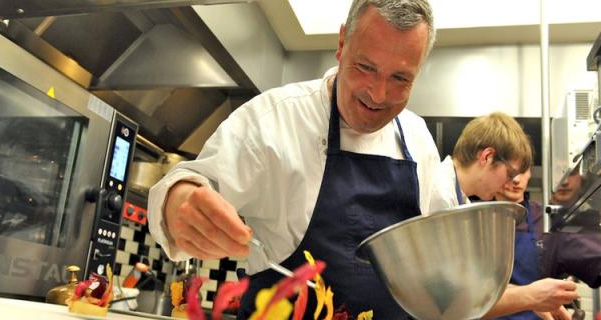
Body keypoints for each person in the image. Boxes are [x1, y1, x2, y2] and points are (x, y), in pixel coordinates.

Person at [147, 0, 439, 318]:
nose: (378, 94)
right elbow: (190, 184)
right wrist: (180, 201)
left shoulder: (418, 140)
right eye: (366, 67)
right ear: (342, 44)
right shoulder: (276, 118)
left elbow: (432, 264)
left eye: (400, 79)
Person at [427, 113, 579, 319]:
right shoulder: (438, 198)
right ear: (487, 157)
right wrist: (529, 296)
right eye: (510, 174)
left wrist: (534, 300)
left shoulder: (458, 199)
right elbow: (452, 304)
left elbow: (471, 289)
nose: (510, 182)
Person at [493, 167, 601, 320]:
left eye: (522, 171)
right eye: (510, 172)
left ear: (530, 173)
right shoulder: (475, 218)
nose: (516, 180)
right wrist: (528, 297)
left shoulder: (548, 220)